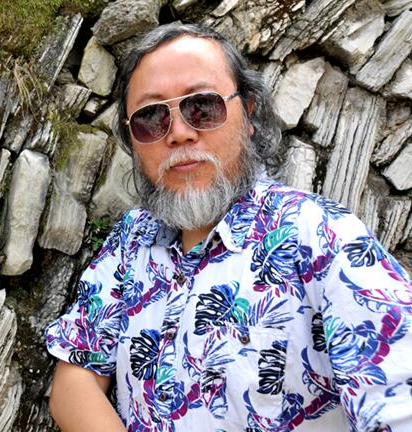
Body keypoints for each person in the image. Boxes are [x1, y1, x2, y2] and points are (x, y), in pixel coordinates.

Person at [45, 22, 412, 432]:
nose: (179, 133)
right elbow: (73, 381)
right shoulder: (132, 240)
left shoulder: (322, 237)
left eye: (203, 107)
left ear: (248, 114)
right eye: (151, 117)